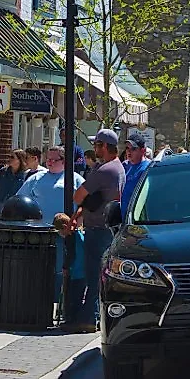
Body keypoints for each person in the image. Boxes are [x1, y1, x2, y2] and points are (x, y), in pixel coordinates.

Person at [70, 129, 124, 332]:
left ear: (104, 146)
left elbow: (77, 196)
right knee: (100, 274)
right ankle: (93, 317)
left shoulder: (103, 170)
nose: (94, 149)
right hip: (107, 227)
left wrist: (83, 201)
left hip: (97, 229)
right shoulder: (118, 168)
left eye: (97, 145)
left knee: (93, 275)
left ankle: (89, 318)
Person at [16, 145, 83, 226]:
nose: (49, 162)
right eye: (48, 159)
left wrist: (77, 222)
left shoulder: (75, 179)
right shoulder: (35, 178)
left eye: (53, 160)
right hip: (39, 230)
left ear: (64, 161)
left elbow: (86, 205)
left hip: (66, 229)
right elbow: (19, 200)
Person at [0, 149, 28, 219]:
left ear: (20, 160)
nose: (9, 159)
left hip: (16, 212)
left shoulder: (25, 175)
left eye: (12, 157)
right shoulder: (3, 172)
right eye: (9, 156)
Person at [121, 134, 151, 207]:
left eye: (133, 149)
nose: (129, 151)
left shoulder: (147, 168)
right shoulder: (126, 166)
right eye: (127, 148)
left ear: (143, 150)